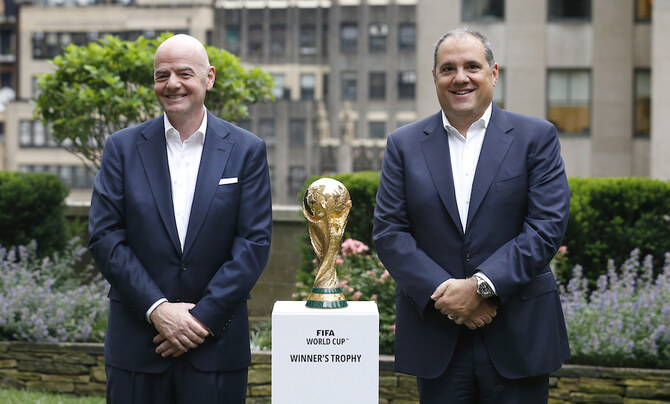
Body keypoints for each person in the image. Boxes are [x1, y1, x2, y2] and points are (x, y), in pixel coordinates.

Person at [373, 28, 570, 403]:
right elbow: (389, 232)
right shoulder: (404, 144)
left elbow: (546, 228)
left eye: (472, 67)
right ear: (434, 77)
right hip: (438, 336)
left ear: (493, 73)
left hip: (518, 334)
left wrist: (481, 287)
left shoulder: (536, 137)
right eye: (448, 68)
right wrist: (449, 297)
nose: (460, 77)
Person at [88, 34, 272, 404]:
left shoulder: (246, 150)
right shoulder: (121, 148)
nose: (172, 84)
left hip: (215, 346)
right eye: (162, 75)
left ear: (209, 77)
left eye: (184, 73)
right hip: (139, 344)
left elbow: (253, 243)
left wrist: (201, 320)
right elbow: (105, 237)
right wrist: (157, 309)